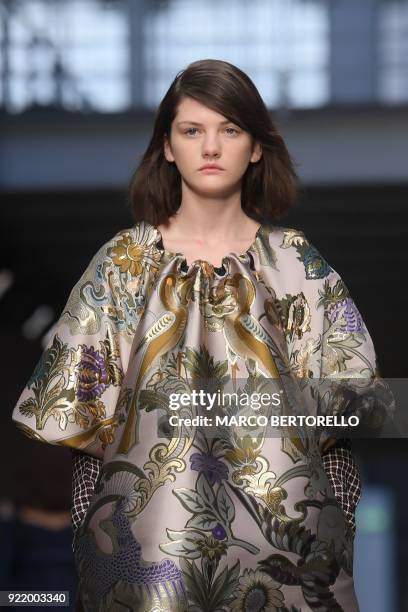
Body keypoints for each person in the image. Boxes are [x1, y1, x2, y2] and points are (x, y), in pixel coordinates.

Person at [12, 58, 384, 611]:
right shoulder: (122, 266)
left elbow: (345, 431)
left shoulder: (298, 267)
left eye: (229, 129)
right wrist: (92, 567)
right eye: (192, 130)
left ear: (256, 146)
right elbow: (85, 437)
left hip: (292, 576)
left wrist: (335, 556)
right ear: (167, 146)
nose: (211, 147)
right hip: (145, 581)